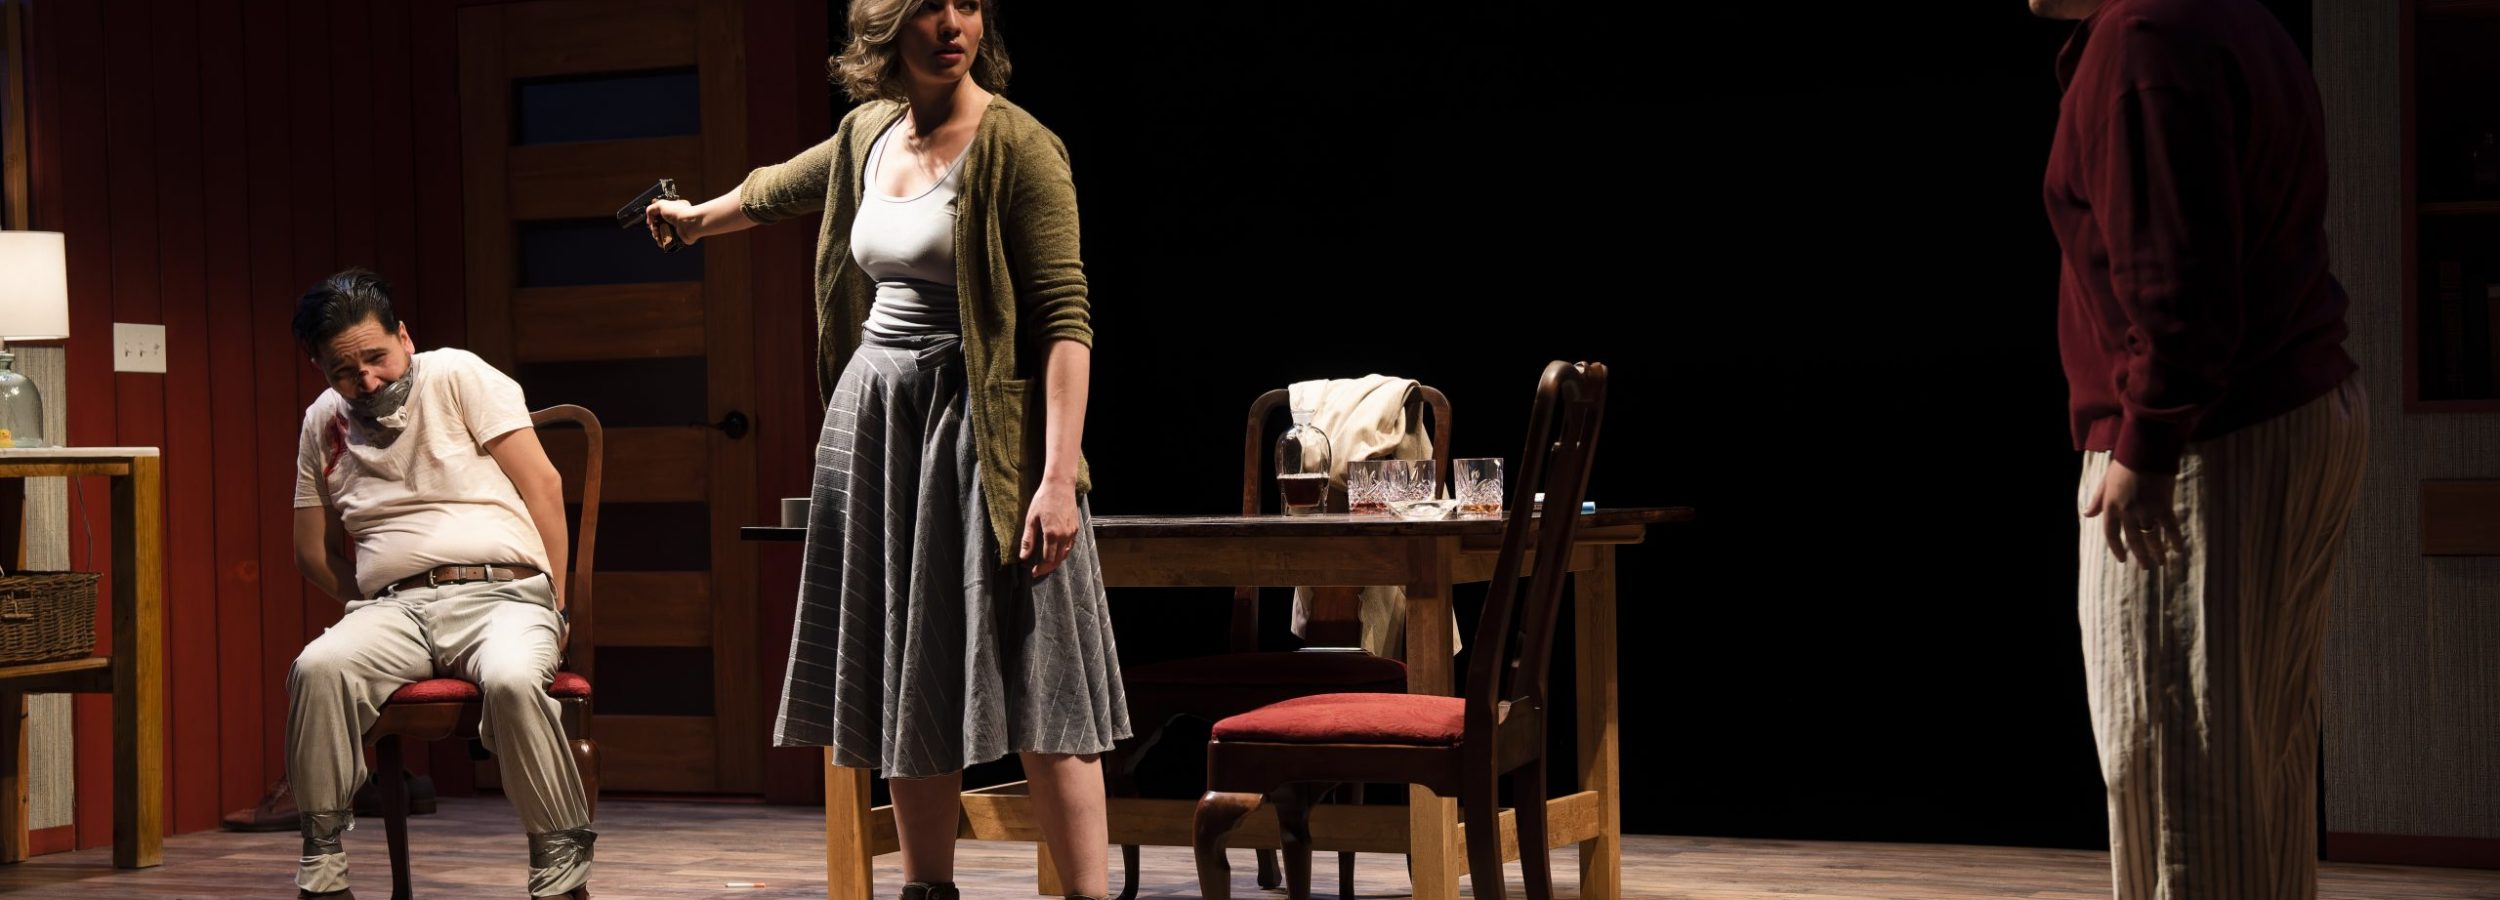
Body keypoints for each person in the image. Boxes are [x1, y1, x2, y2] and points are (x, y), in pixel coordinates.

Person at [646, 2, 1126, 898]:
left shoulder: (1021, 147)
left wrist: (1057, 480)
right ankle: (926, 888)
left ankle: (1089, 894)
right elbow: (782, 186)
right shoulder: (869, 131)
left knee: (1042, 671)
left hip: (987, 433)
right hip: (880, 421)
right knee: (906, 657)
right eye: (930, 7)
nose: (954, 25)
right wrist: (697, 218)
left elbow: (1066, 321)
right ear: (885, 29)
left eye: (969, 5)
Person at [2034, 0, 2368, 896]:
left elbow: (2177, 280)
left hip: (2208, 440)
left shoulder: (2145, 34)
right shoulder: (2232, 14)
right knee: (2257, 763)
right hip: (2287, 411)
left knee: (2181, 770)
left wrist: (2145, 440)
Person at [286, 269, 594, 900]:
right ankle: (323, 876)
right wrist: (371, 600)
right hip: (396, 608)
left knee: (512, 678)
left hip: (502, 594)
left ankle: (560, 877)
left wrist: (557, 606)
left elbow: (544, 487)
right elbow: (311, 554)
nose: (366, 380)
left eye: (377, 357)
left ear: (405, 336)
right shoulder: (323, 421)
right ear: (320, 368)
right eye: (345, 371)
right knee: (318, 666)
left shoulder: (455, 374)